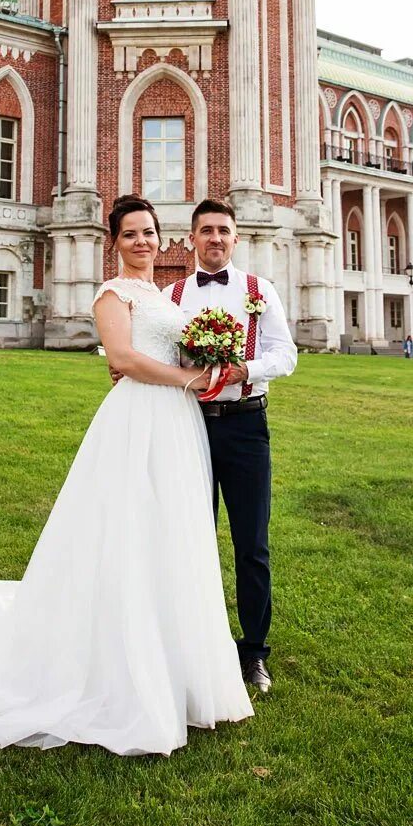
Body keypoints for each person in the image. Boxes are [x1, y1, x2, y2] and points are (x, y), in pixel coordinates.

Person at [0, 195, 252, 756]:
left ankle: (178, 663)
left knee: (172, 534)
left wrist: (207, 363)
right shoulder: (111, 293)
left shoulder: (163, 294)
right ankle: (117, 664)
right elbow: (123, 360)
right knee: (127, 530)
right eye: (129, 234)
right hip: (140, 418)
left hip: (179, 426)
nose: (142, 242)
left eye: (149, 232)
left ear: (162, 237)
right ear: (114, 243)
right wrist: (187, 377)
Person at [166, 199, 298, 695]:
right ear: (192, 238)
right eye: (206, 231)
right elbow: (155, 353)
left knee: (252, 545)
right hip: (189, 425)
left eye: (223, 230)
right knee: (188, 538)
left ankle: (253, 653)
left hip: (246, 427)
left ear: (235, 238)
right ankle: (190, 646)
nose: (215, 239)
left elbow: (286, 354)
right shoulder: (174, 294)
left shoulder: (258, 290)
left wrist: (249, 370)